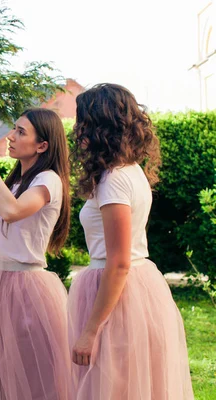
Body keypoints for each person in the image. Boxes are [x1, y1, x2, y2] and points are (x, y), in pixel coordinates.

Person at [68, 83, 194, 399]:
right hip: (136, 285)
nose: (76, 131)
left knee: (114, 386)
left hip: (118, 293)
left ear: (99, 126)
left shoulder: (114, 180)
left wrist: (90, 331)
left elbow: (120, 262)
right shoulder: (130, 170)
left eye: (82, 122)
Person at [0, 108, 72, 400]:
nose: (11, 136)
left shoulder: (48, 180)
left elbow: (12, 211)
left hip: (28, 289)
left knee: (33, 377)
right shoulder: (14, 184)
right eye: (14, 129)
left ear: (42, 145)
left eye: (21, 132)